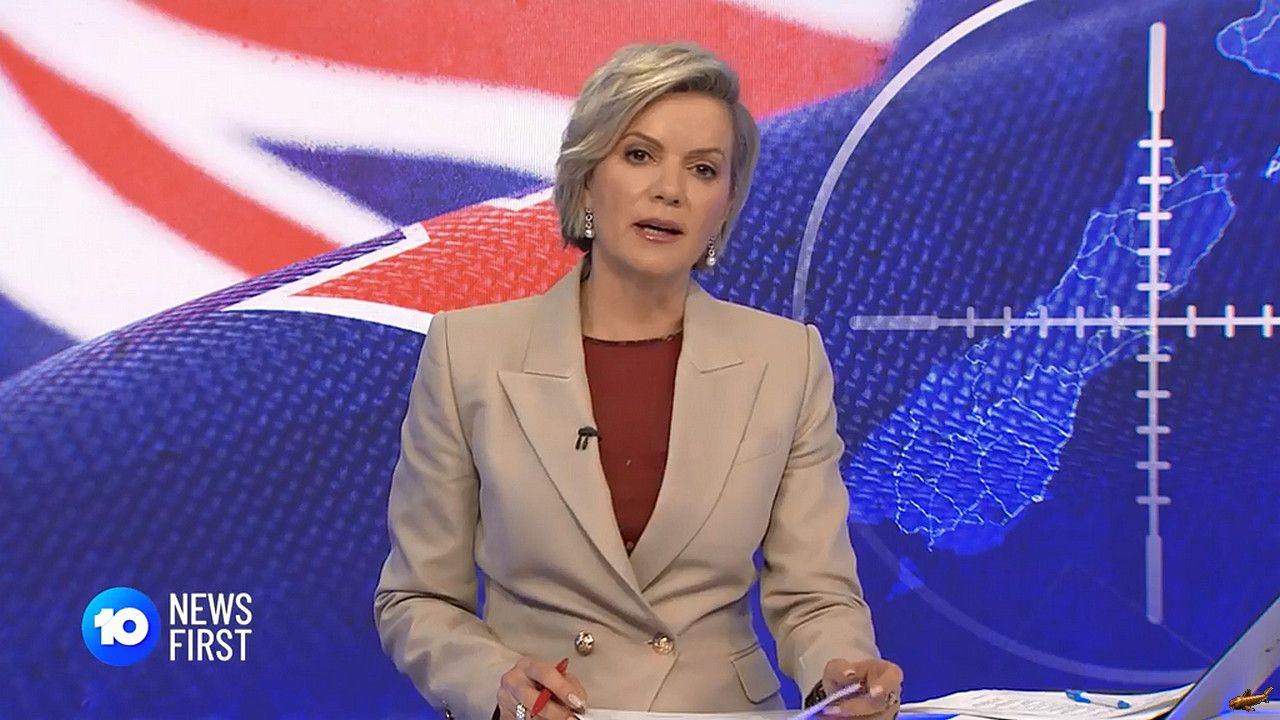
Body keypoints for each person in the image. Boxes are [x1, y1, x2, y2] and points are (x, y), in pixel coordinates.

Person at [373, 41, 903, 720]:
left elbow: (814, 594)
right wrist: (496, 685)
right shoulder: (468, 354)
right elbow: (416, 599)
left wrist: (839, 675)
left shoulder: (786, 361)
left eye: (703, 169)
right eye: (639, 155)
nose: (670, 189)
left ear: (725, 205)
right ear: (586, 179)